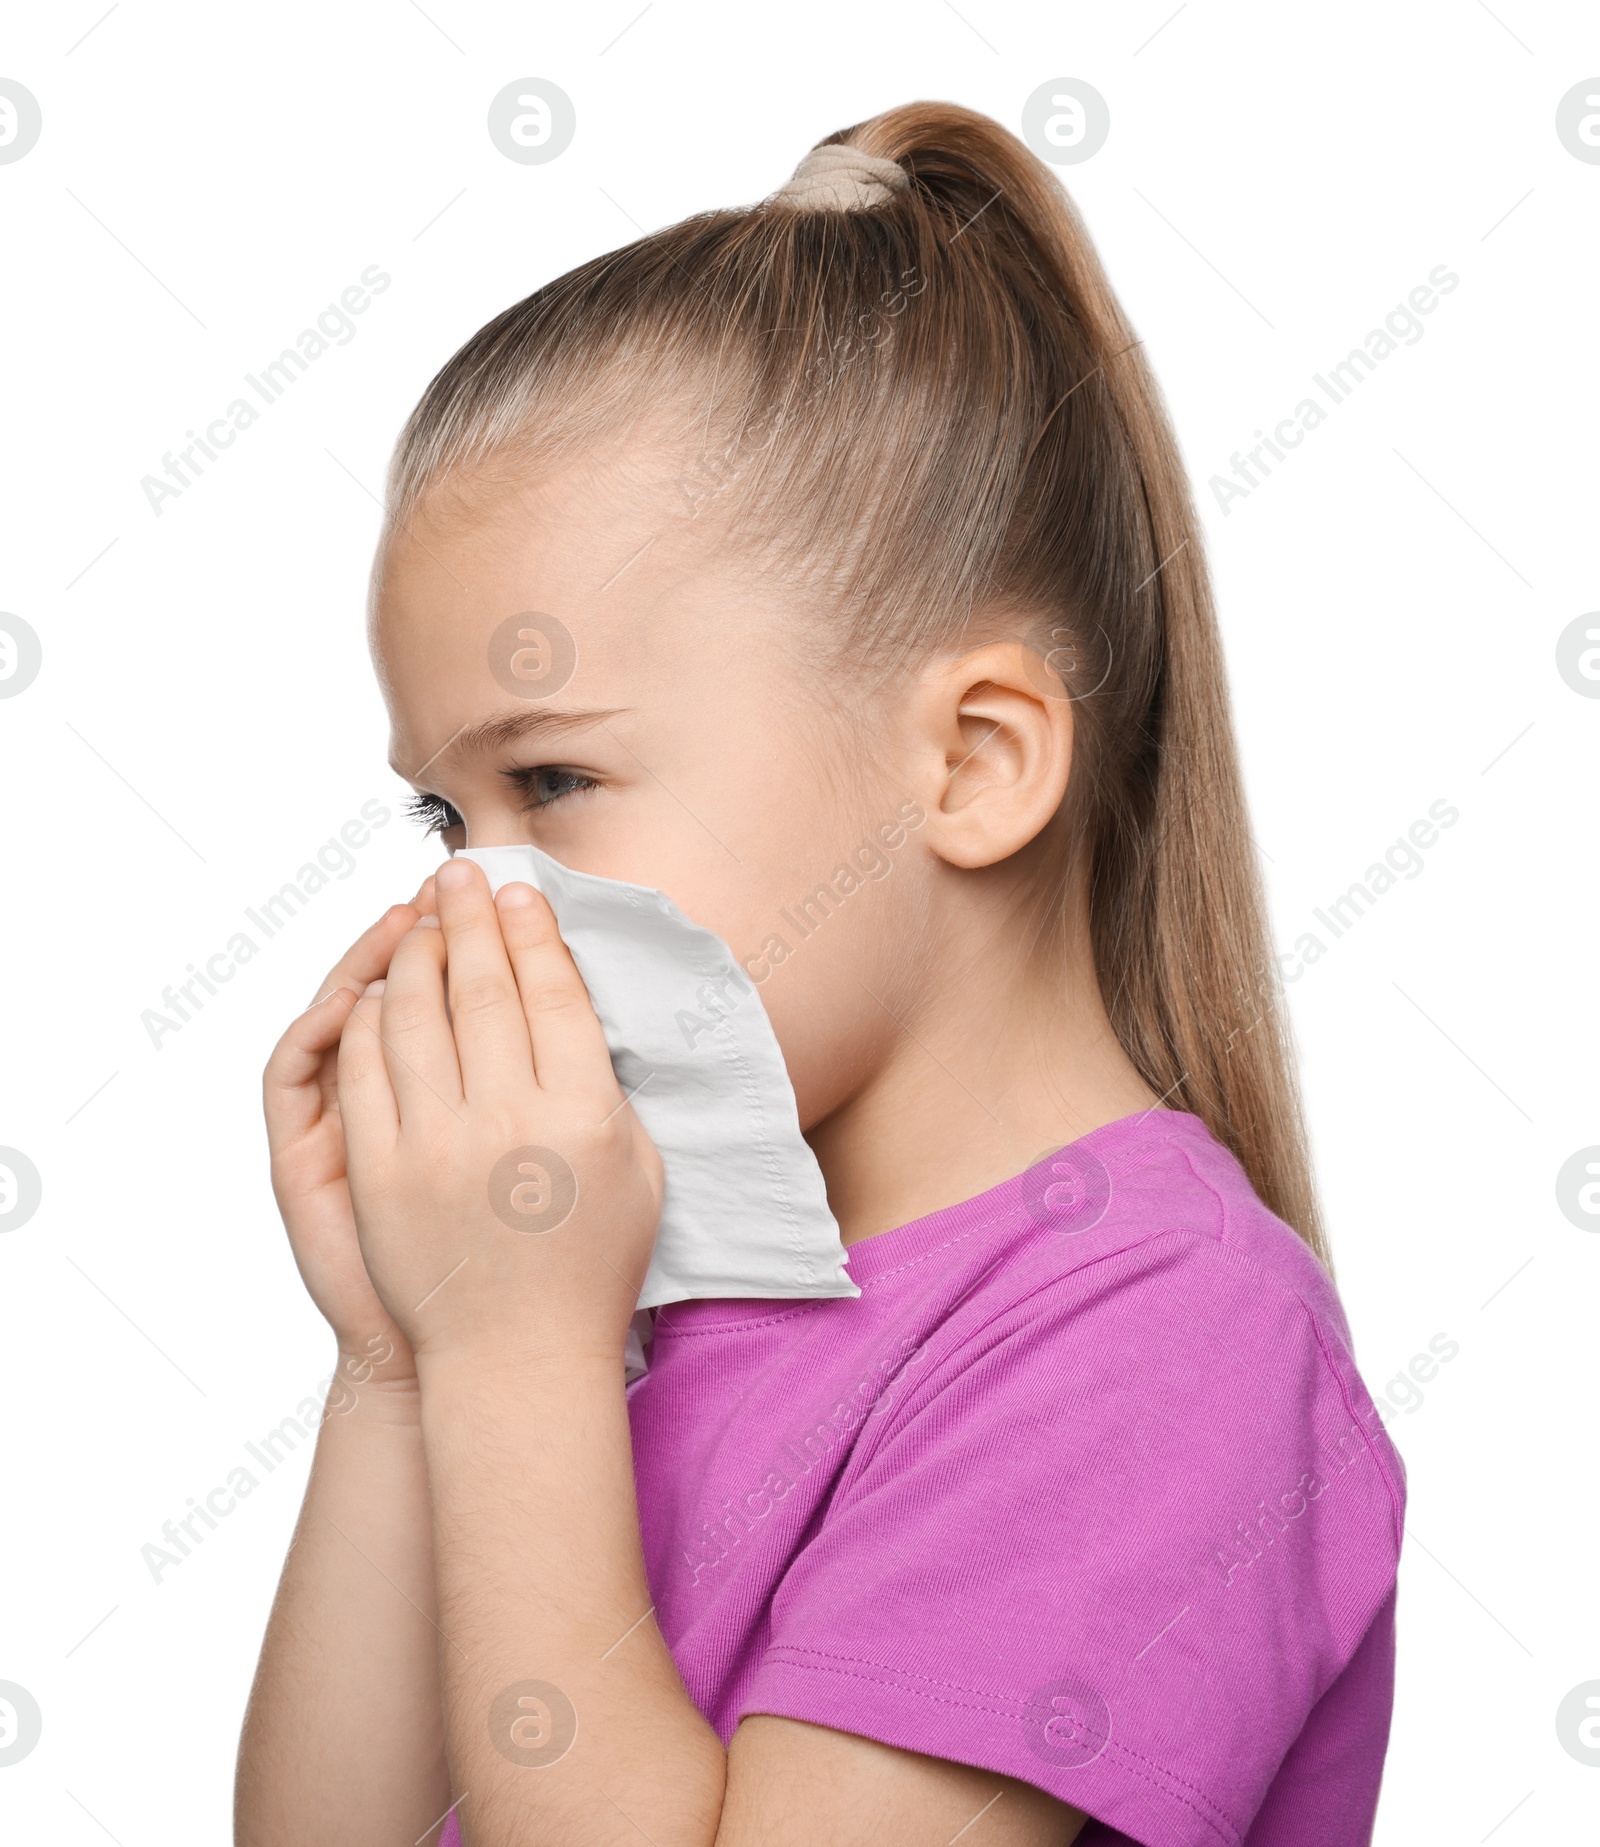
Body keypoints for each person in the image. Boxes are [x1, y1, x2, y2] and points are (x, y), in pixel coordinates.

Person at [236, 101, 1404, 1847]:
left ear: (972, 764)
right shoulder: (623, 1298)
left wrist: (513, 1365)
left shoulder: (1157, 1341)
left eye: (554, 781)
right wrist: (401, 1367)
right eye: (442, 815)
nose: (480, 906)